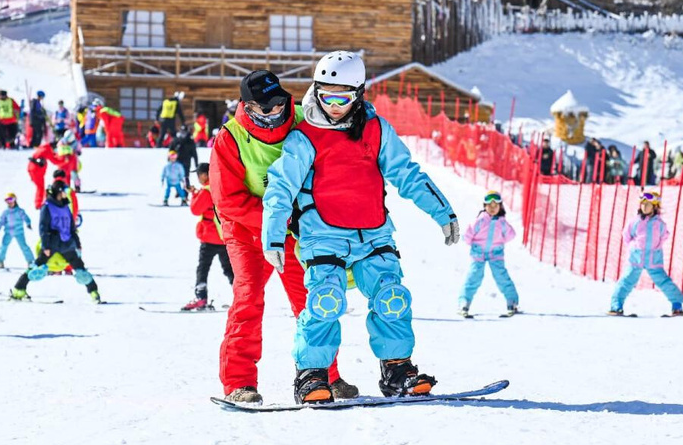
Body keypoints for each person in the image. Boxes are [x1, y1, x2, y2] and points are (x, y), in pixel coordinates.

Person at [262, 51, 460, 403]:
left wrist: (442, 212)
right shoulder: (304, 136)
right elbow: (281, 187)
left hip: (373, 231)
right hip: (323, 233)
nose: (333, 107)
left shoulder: (375, 129)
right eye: (326, 97)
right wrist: (273, 236)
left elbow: (406, 174)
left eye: (342, 99)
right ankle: (311, 374)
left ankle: (397, 370)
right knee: (325, 301)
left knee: (392, 298)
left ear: (359, 95)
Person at [212, 69, 356, 404]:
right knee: (248, 298)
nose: (275, 111)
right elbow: (228, 200)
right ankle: (239, 383)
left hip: (296, 229)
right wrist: (280, 217)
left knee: (312, 301)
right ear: (247, 106)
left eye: (280, 103)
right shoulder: (230, 138)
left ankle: (324, 374)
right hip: (247, 229)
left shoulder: (306, 119)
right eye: (266, 107)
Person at [10, 180, 101, 303]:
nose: (66, 193)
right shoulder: (47, 207)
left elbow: (71, 227)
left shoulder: (65, 206)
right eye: (64, 191)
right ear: (59, 192)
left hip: (67, 244)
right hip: (52, 243)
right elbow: (43, 227)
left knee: (80, 269)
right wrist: (46, 246)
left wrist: (77, 244)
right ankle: (18, 289)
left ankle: (94, 293)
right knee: (36, 267)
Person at [609, 190, 683, 316]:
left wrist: (656, 248)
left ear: (655, 207)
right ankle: (616, 306)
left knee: (664, 282)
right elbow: (626, 236)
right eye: (643, 204)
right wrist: (634, 247)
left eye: (648, 205)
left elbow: (664, 236)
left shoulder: (660, 224)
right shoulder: (634, 222)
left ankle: (677, 305)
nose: (644, 207)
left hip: (653, 259)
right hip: (636, 258)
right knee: (626, 281)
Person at [457, 191, 519, 318]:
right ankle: (464, 302)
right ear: (484, 206)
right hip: (478, 253)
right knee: (474, 276)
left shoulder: (502, 222)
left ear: (500, 207)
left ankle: (512, 301)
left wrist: (500, 242)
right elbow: (468, 234)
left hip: (496, 253)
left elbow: (511, 235)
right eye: (489, 205)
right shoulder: (480, 220)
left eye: (495, 206)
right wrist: (472, 244)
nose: (492, 208)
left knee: (501, 276)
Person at [182, 163, 235, 311]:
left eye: (199, 175)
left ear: (205, 175)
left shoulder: (206, 191)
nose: (198, 178)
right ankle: (242, 296)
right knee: (229, 269)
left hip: (210, 237)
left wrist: (194, 194)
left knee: (203, 268)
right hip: (224, 236)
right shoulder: (220, 186)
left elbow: (195, 209)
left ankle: (201, 298)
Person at [0, 192, 35, 268]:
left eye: (11, 200)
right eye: (7, 201)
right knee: (3, 246)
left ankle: (30, 261)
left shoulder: (20, 211)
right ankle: (0, 261)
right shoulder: (5, 212)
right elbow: (0, 221)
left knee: (24, 246)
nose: (9, 202)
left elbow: (25, 217)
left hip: (19, 232)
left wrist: (28, 223)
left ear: (15, 200)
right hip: (8, 232)